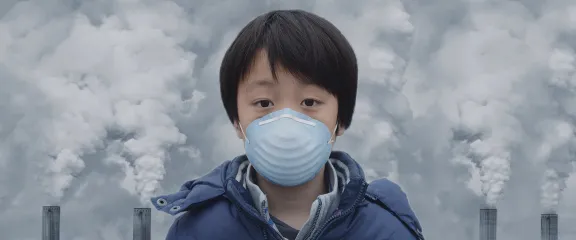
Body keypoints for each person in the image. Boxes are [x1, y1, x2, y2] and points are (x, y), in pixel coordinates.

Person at [151, 9, 424, 240]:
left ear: (340, 120)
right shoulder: (199, 230)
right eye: (264, 103)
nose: (287, 122)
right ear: (236, 121)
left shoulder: (386, 229)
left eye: (309, 102)